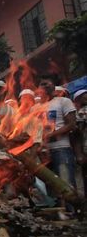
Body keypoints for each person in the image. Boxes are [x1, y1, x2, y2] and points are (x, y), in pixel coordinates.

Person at [35, 74, 78, 204]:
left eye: (47, 83)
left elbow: (71, 124)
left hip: (61, 148)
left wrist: (50, 135)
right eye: (41, 84)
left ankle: (74, 212)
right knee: (50, 185)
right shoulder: (34, 108)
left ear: (53, 85)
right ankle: (58, 213)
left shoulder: (63, 101)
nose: (44, 86)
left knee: (66, 183)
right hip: (43, 152)